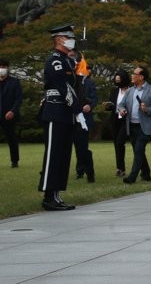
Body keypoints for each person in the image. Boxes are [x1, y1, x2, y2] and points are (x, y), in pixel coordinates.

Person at [39, 24, 82, 210]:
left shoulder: (67, 60)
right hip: (55, 111)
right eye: (68, 37)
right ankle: (48, 196)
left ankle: (56, 195)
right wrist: (77, 108)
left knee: (63, 156)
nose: (71, 40)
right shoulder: (55, 60)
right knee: (53, 155)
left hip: (65, 112)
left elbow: (74, 85)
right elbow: (63, 87)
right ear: (58, 40)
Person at [121, 65, 151, 184]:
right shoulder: (130, 90)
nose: (132, 76)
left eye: (135, 74)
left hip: (145, 127)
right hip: (132, 126)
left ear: (141, 77)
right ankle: (146, 174)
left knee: (138, 150)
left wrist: (147, 109)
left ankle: (132, 177)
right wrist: (122, 110)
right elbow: (121, 104)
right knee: (139, 152)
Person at [70, 53, 96, 183]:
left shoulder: (89, 83)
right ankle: (78, 171)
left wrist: (89, 105)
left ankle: (88, 171)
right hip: (69, 118)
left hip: (82, 119)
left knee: (82, 148)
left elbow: (92, 99)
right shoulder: (69, 81)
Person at [106, 69, 131, 177]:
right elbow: (113, 104)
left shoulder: (131, 91)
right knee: (116, 143)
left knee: (120, 142)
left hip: (127, 119)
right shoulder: (114, 91)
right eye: (116, 80)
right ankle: (120, 168)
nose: (117, 82)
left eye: (119, 80)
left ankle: (141, 169)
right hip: (115, 118)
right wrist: (109, 106)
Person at [0, 59, 23, 169]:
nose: (2, 69)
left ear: (8, 68)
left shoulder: (14, 82)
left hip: (9, 115)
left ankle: (15, 161)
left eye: (4, 66)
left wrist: (13, 111)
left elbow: (18, 98)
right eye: (0, 66)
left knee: (11, 138)